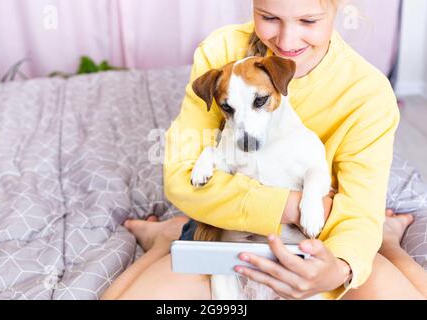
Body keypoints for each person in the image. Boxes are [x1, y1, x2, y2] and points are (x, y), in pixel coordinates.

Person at [101, 0, 427, 299]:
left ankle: (387, 242)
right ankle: (168, 236)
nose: (286, 42)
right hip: (226, 229)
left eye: (309, 20)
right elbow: (182, 175)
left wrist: (339, 268)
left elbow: (359, 211)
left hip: (325, 236)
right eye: (268, 17)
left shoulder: (368, 92)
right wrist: (289, 206)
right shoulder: (221, 51)